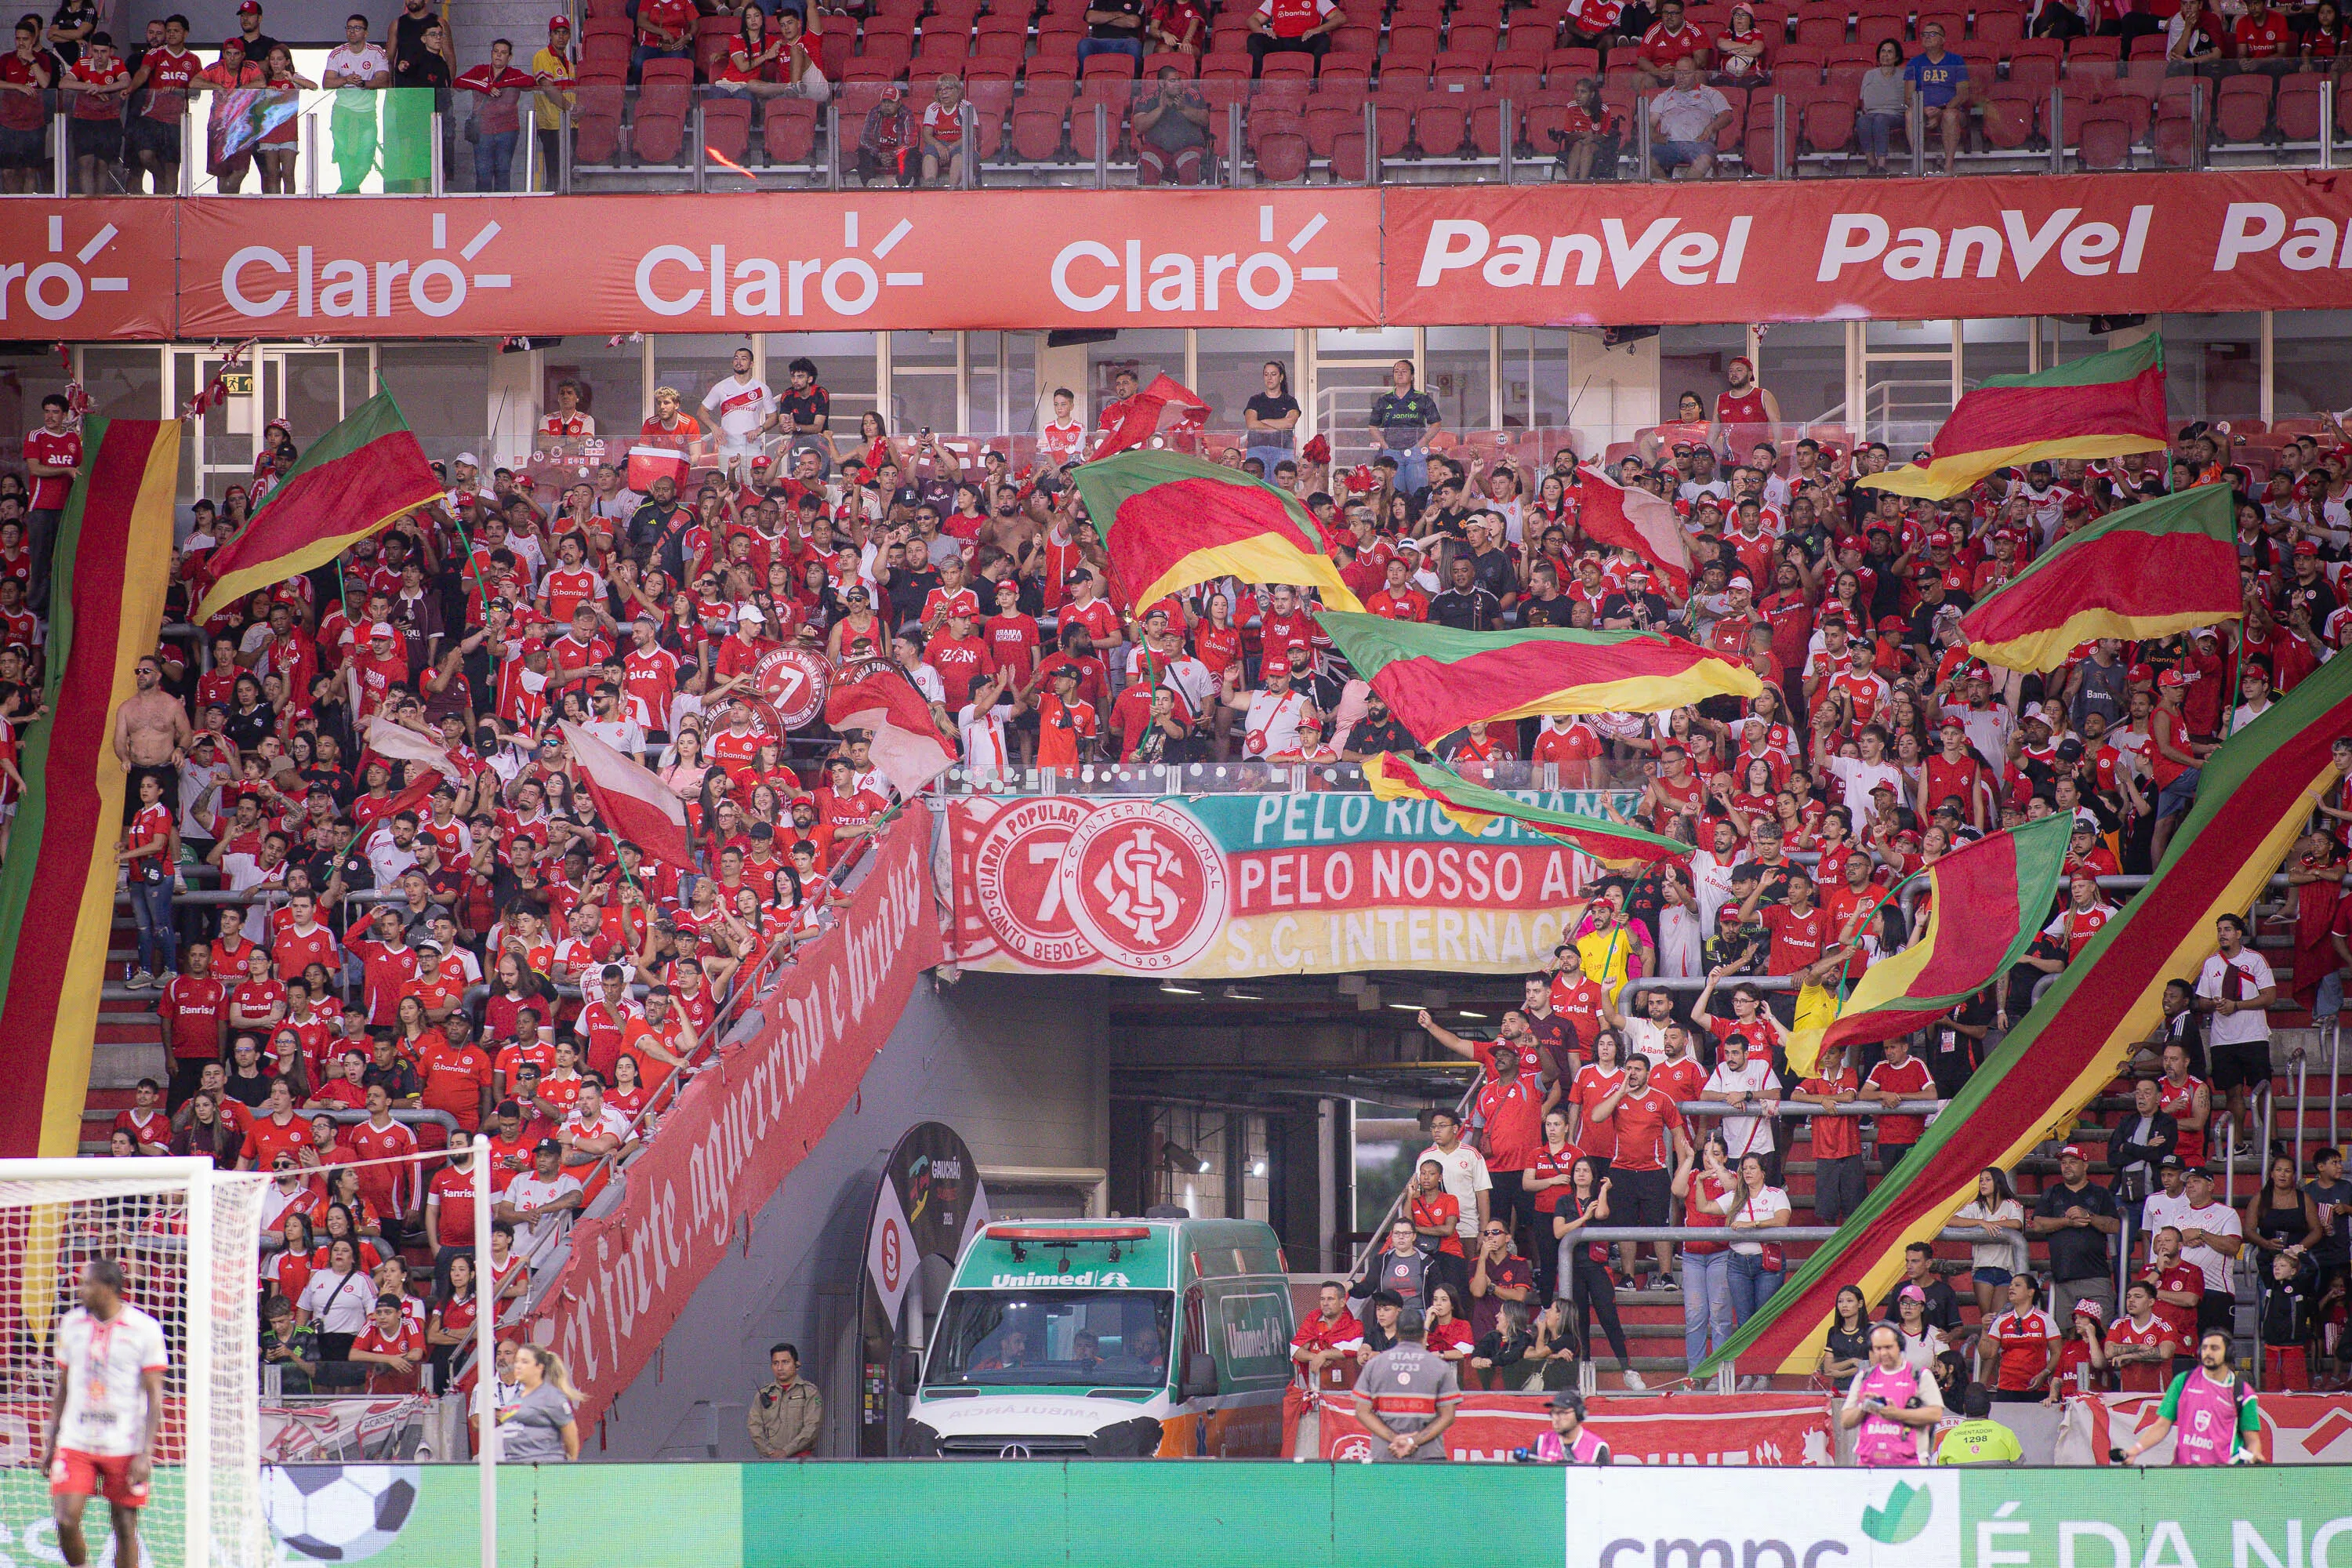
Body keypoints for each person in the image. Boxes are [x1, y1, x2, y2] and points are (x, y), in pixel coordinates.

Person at [40, 1259, 167, 1568]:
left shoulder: (144, 1329)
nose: (80, 1290)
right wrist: (51, 1444)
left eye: (87, 1284)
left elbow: (154, 1396)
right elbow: (64, 1388)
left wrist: (145, 1453)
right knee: (65, 1519)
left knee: (124, 1526)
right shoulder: (71, 1324)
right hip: (77, 1440)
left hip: (124, 1444)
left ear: (108, 1288)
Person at [2194, 913, 2276, 1163]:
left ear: (2239, 933)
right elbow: (2202, 1001)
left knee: (2262, 1092)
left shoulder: (2255, 960)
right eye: (2219, 929)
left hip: (2253, 1036)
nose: (2222, 934)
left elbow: (2269, 996)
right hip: (2222, 1039)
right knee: (2233, 1093)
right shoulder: (2211, 964)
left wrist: (2237, 1005)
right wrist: (2214, 1004)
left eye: (2228, 929)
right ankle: (2238, 1143)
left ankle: (2271, 1142)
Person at [2113, 1330, 2264, 1465]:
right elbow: (2162, 1425)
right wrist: (2135, 1450)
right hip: (2185, 1471)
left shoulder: (2242, 1391)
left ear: (2229, 1353)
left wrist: (2255, 1454)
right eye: (2204, 1348)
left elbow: (2252, 1438)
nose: (2208, 1353)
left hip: (2226, 1473)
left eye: (2214, 1348)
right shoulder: (2183, 1381)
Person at [1351, 1306, 1460, 1461]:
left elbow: (1362, 1412)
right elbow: (1448, 1416)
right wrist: (1413, 1441)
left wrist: (1395, 1439)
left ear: (1398, 1333)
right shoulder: (1439, 1366)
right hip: (1429, 1456)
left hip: (1386, 1454)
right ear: (1423, 1333)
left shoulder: (1375, 1365)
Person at [2032, 1143, 2121, 1325]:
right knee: (2065, 1337)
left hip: (2095, 1278)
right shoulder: (2052, 1193)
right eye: (2064, 1163)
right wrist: (2067, 1222)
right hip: (2063, 1279)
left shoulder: (2100, 1193)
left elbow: (2114, 1226)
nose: (2067, 1166)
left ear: (2085, 1166)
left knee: (2099, 1333)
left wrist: (2088, 1216)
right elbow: (2037, 1224)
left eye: (2073, 1162)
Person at [1841, 1323, 1943, 1466]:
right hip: (1868, 1466)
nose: (1883, 1353)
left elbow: (1936, 1414)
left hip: (1910, 1465)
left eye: (1888, 1347)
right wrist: (1864, 1407)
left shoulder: (1919, 1375)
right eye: (1878, 1348)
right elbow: (1845, 1421)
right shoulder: (1864, 1377)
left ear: (1900, 1346)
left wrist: (1897, 1414)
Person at [1646, 56, 1732, 180]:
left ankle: (1683, 193)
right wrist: (1654, 136)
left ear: (1695, 74)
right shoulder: (1664, 96)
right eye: (1678, 73)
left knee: (1704, 161)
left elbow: (1727, 116)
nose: (1681, 77)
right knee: (1647, 161)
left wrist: (1711, 128)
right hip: (1669, 143)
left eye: (1686, 73)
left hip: (1699, 142)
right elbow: (1650, 122)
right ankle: (1668, 191)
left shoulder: (1710, 93)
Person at [1902, 21, 1969, 175]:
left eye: (1932, 34)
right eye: (1924, 34)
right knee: (1910, 113)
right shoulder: (1914, 63)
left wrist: (1941, 110)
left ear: (1943, 39)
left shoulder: (1956, 61)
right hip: (1923, 111)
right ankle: (1919, 165)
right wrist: (1923, 110)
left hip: (1950, 110)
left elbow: (1963, 94)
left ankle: (1948, 166)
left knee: (1950, 115)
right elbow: (1908, 96)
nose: (1927, 37)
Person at [498, 1345, 582, 1461]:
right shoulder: (517, 1396)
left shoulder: (551, 1396)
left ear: (539, 1367)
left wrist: (571, 1464)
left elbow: (570, 1433)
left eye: (525, 1362)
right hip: (515, 1468)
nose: (518, 1366)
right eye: (517, 1361)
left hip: (542, 1468)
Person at [747, 1342, 822, 1458]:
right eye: (775, 1363)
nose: (780, 1368)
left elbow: (812, 1427)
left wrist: (786, 1451)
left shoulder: (809, 1392)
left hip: (801, 1461)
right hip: (770, 1461)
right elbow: (754, 1427)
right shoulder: (763, 1394)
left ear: (797, 1364)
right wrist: (769, 1452)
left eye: (785, 1362)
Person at [1934, 1383, 2024, 1465]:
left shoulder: (1950, 1437)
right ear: (1989, 1407)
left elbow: (1943, 1473)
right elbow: (2020, 1470)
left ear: (1964, 1408)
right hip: (1997, 1483)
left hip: (1964, 1483)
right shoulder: (2005, 1434)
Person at [1526, 1388, 1611, 1464]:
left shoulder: (1596, 1447)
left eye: (1562, 1413)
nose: (1556, 1418)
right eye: (1553, 1413)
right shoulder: (1542, 1441)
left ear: (1579, 1414)